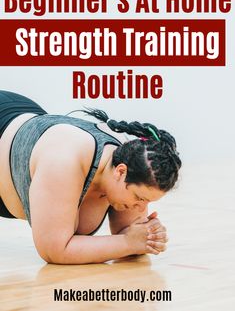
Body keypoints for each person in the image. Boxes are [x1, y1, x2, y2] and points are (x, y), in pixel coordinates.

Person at [0, 90, 181, 264]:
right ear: (120, 171)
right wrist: (128, 243)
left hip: (24, 120)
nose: (142, 208)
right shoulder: (63, 161)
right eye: (140, 198)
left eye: (148, 202)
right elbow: (54, 250)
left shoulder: (133, 160)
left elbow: (128, 234)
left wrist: (147, 236)